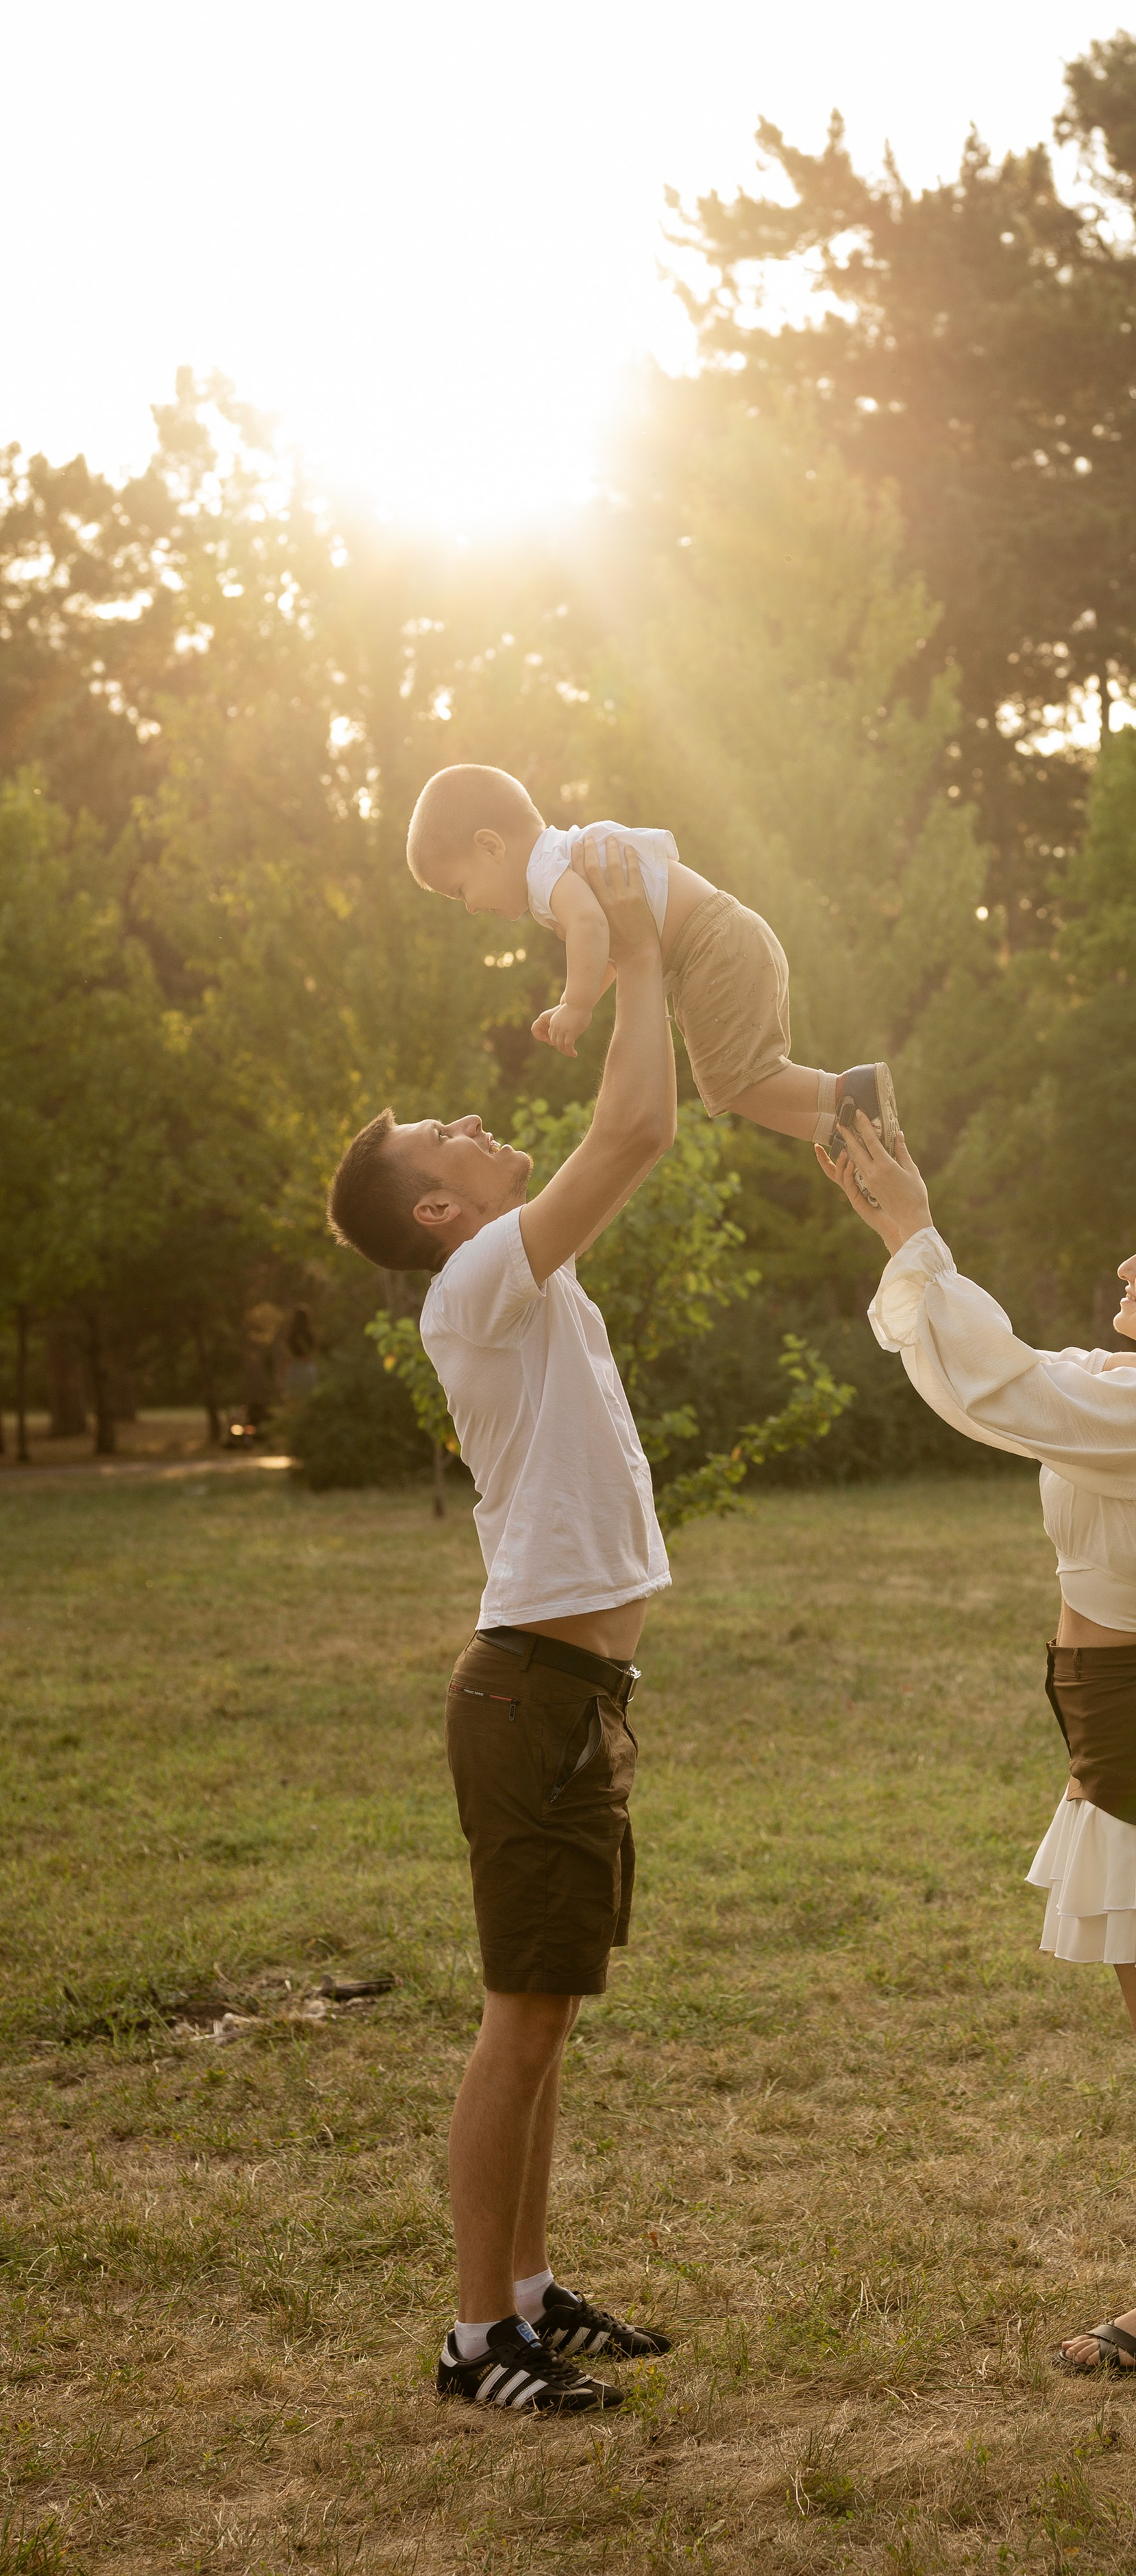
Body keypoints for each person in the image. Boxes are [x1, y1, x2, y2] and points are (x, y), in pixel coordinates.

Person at [819, 1111, 1136, 2377]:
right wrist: (910, 1242)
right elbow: (1001, 1377)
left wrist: (914, 1230)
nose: (1127, 1267)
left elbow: (1004, 1386)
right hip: (1134, 1718)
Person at [325, 837, 680, 2418]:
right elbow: (638, 1126)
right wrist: (638, 950)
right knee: (519, 2018)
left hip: (571, 1691)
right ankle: (477, 2339)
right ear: (436, 1204)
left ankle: (527, 2292)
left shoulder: (519, 1273)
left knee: (550, 2010)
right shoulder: (473, 1280)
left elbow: (622, 1134)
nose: (476, 1123)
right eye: (448, 1135)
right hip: (530, 1691)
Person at [405, 762, 900, 1174]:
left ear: (491, 846)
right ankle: (842, 1130)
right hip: (718, 944)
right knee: (729, 1088)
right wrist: (574, 1001)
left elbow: (589, 927)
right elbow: (610, 948)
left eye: (460, 890)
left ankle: (850, 1090)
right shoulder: (555, 865)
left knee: (744, 1079)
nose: (470, 908)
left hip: (708, 946)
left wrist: (577, 1005)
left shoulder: (546, 868)